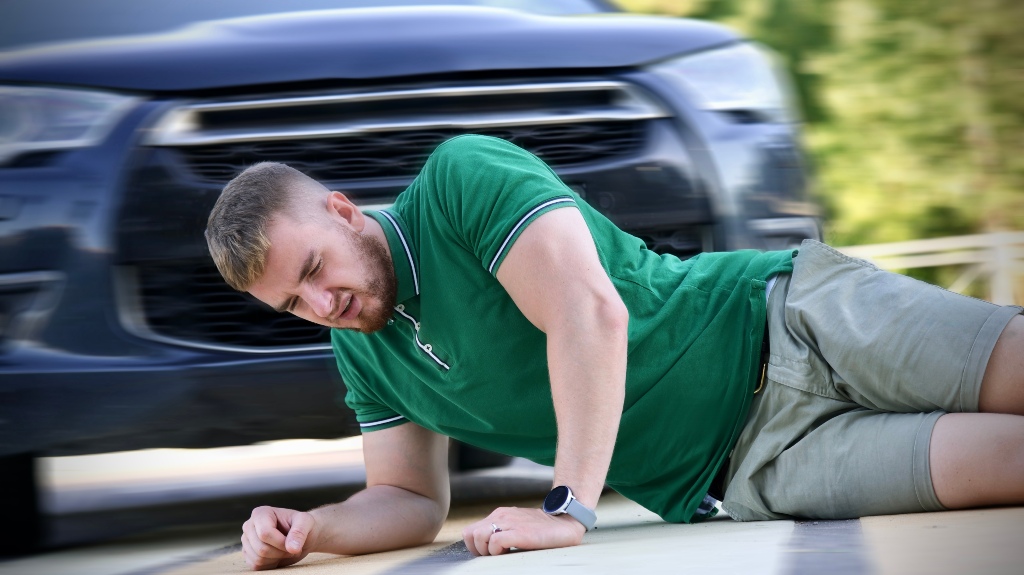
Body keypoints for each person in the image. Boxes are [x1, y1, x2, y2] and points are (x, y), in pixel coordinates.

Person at [205, 134, 1024, 571]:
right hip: (759, 468)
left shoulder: (459, 181)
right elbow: (408, 498)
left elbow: (587, 311)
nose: (323, 306)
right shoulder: (363, 353)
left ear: (344, 211)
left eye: (313, 270)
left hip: (787, 317)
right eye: (293, 305)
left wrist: (567, 508)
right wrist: (312, 528)